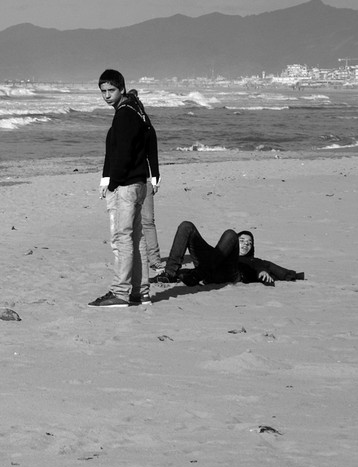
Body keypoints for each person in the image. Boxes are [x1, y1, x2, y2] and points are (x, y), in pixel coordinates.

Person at [90, 69, 152, 308]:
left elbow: (123, 155)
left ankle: (120, 292)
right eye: (103, 91)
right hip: (138, 183)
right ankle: (141, 291)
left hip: (127, 185)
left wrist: (113, 182)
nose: (106, 95)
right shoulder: (135, 111)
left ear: (122, 89)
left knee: (123, 238)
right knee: (135, 238)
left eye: (111, 90)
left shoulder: (125, 115)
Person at [152, 222, 305, 287]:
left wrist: (290, 275)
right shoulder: (223, 249)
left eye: (249, 243)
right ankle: (169, 273)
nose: (245, 244)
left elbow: (266, 267)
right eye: (242, 240)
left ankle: (199, 274)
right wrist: (180, 274)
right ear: (234, 244)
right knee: (186, 226)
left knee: (230, 233)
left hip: (229, 273)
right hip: (211, 264)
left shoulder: (254, 260)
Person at [125, 88, 164, 274]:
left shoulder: (134, 123)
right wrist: (156, 177)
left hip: (137, 179)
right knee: (147, 221)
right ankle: (154, 261)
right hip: (146, 178)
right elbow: (153, 154)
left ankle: (146, 260)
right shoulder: (147, 124)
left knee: (135, 222)